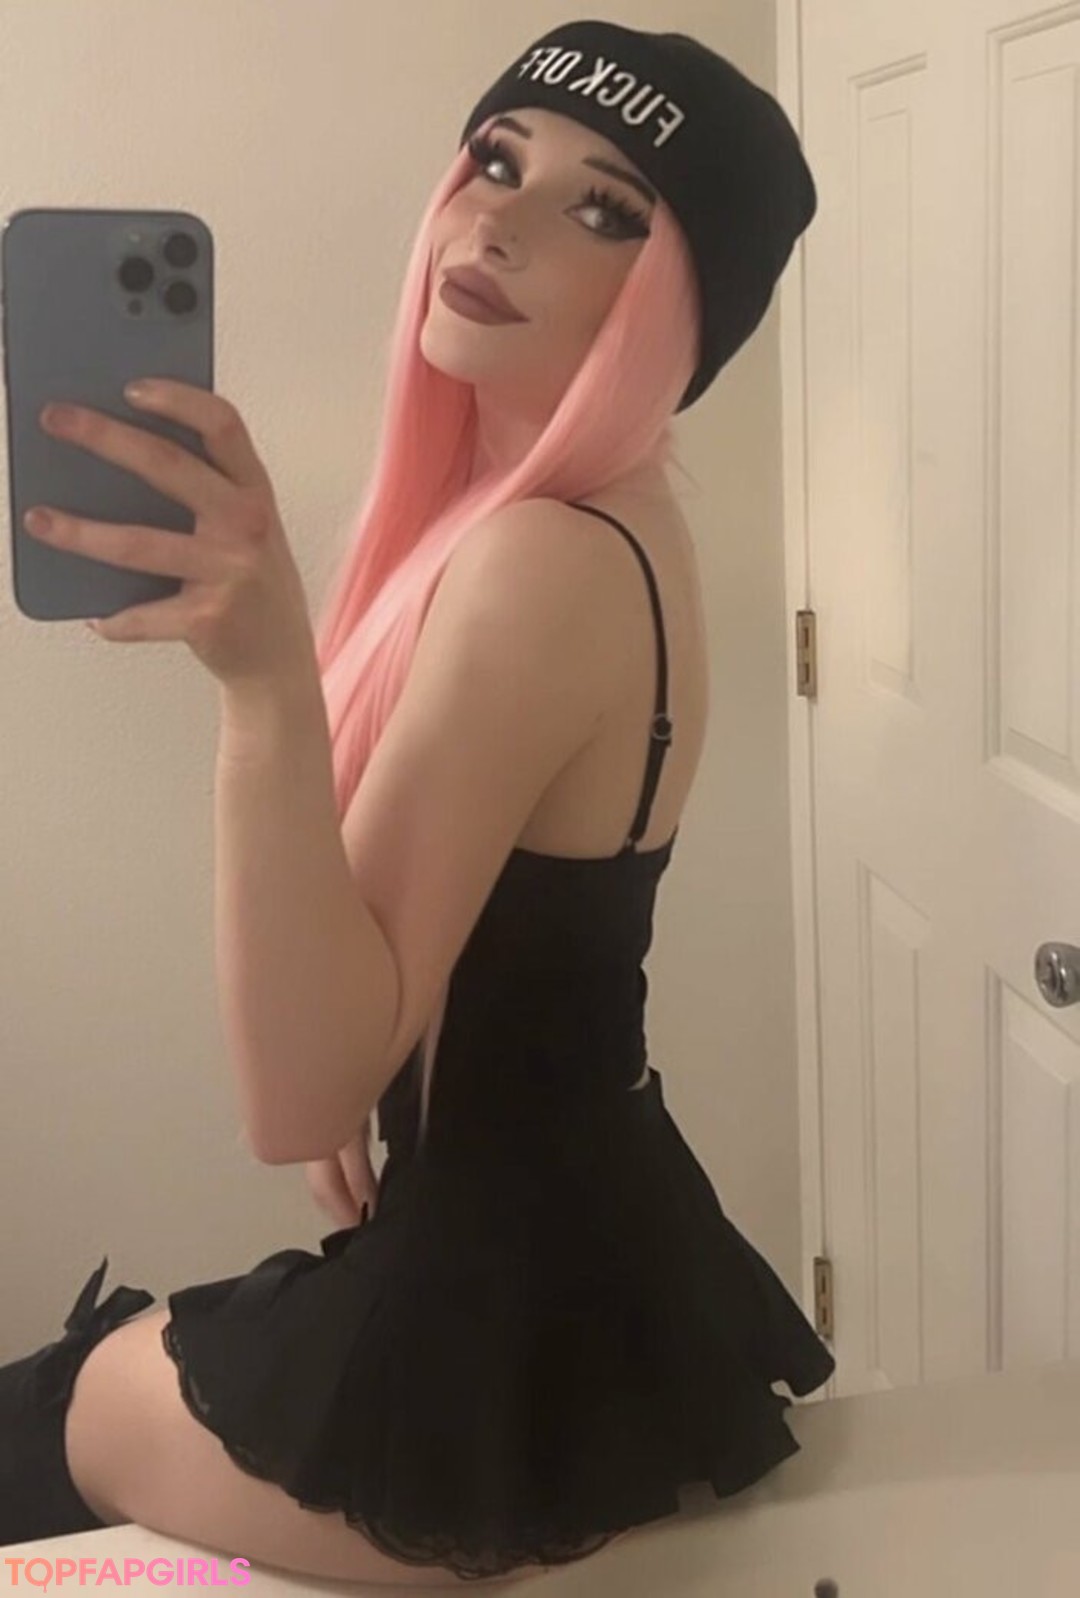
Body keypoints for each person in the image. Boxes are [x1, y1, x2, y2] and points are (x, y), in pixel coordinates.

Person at [0, 18, 836, 1586]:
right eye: (497, 161)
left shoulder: (536, 566)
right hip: (598, 1262)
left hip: (495, 1331)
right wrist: (391, 1050)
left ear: (682, 305)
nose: (497, 222)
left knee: (43, 1410)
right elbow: (476, 944)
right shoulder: (616, 518)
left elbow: (292, 1102)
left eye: (606, 209)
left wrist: (264, 684)